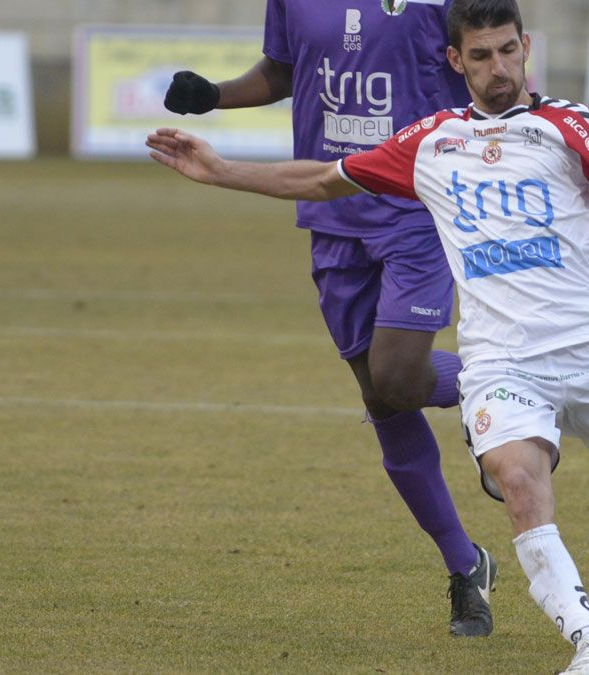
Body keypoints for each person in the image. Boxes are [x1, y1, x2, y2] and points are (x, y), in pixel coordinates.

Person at [146, 0, 589, 670]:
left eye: (508, 50)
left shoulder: (574, 125)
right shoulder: (431, 142)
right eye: (480, 56)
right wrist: (220, 169)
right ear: (457, 61)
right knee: (510, 474)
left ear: (526, 47)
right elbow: (325, 178)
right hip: (503, 364)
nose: (498, 67)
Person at [160, 0, 498, 637]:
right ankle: (466, 565)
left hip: (416, 208)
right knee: (383, 399)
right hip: (329, 209)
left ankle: (501, 387)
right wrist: (214, 95)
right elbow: (284, 70)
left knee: (397, 378)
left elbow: (489, 65)